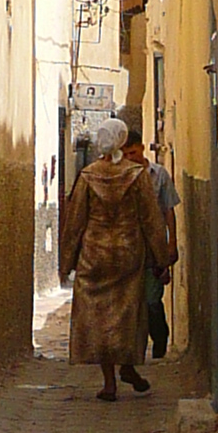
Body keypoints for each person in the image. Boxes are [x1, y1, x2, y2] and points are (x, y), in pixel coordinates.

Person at [59, 116, 170, 402]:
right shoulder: (136, 174)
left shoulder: (88, 176)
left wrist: (67, 261)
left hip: (94, 255)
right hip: (128, 254)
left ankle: (109, 382)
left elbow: (75, 222)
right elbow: (151, 220)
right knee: (127, 315)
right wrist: (162, 258)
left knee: (98, 317)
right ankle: (129, 366)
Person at [135, 133, 178, 358]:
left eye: (133, 152)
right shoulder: (123, 176)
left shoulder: (159, 175)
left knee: (152, 300)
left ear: (141, 149)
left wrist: (172, 243)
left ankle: (160, 339)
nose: (130, 157)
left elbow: (169, 210)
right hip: (131, 249)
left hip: (155, 248)